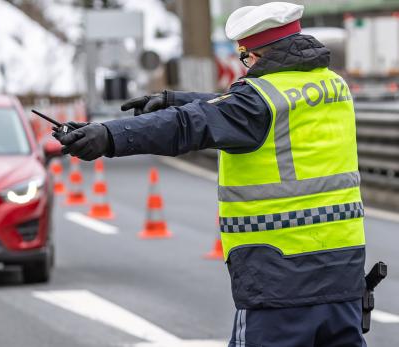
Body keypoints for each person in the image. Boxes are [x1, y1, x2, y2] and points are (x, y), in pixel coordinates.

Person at [53, 2, 367, 346]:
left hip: (281, 278)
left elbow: (193, 124)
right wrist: (177, 100)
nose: (244, 67)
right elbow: (238, 108)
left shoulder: (260, 101)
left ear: (260, 54)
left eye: (246, 58)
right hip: (343, 272)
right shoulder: (332, 86)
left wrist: (108, 135)